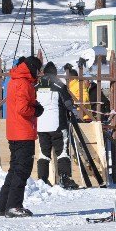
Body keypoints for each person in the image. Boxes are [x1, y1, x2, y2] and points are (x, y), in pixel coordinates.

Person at [0, 56, 43, 218]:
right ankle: (14, 205)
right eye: (37, 70)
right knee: (22, 170)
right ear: (31, 68)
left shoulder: (15, 80)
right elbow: (23, 108)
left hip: (15, 131)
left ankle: (3, 205)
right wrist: (35, 110)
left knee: (14, 169)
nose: (38, 73)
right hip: (23, 132)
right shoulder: (23, 83)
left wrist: (33, 105)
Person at [36, 61, 78, 190]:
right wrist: (75, 113)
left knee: (44, 153)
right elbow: (68, 104)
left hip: (41, 125)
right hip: (58, 124)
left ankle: (42, 179)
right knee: (62, 152)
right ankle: (64, 178)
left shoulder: (36, 86)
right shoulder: (59, 85)